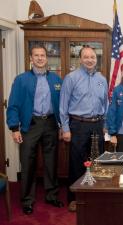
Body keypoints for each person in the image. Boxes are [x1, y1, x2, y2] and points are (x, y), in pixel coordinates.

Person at [6, 45, 63, 215]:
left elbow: (61, 105)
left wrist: (61, 125)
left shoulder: (56, 80)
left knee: (51, 162)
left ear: (47, 58)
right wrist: (14, 128)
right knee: (28, 163)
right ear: (31, 58)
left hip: (51, 124)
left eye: (42, 55)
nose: (39, 58)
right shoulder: (21, 79)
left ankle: (51, 195)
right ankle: (27, 200)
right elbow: (13, 105)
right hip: (29, 125)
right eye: (36, 55)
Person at [60, 46, 108, 212]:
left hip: (97, 124)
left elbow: (105, 104)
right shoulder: (71, 78)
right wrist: (65, 128)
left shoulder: (102, 78)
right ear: (80, 59)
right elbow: (63, 105)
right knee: (77, 163)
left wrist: (105, 125)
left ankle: (95, 196)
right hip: (78, 125)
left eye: (92, 57)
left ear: (96, 59)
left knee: (97, 162)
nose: (89, 60)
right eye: (86, 57)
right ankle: (74, 199)